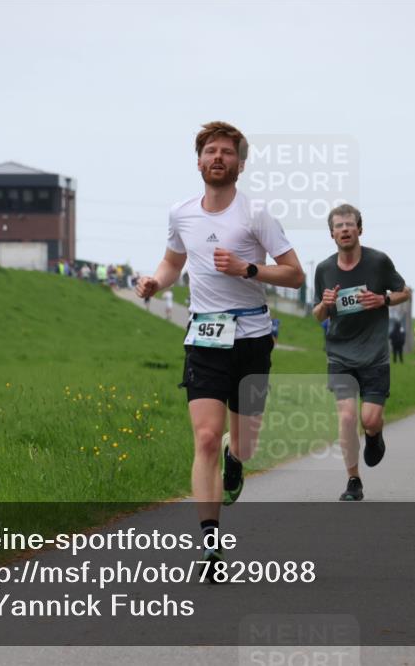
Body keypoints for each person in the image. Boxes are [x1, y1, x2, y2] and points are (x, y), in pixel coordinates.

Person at [134, 121, 304, 565]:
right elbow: (174, 260)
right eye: (210, 151)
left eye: (227, 152)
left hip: (251, 337)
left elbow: (294, 274)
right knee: (207, 437)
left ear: (240, 164)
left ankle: (237, 459)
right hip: (204, 337)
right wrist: (156, 280)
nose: (217, 158)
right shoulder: (181, 212)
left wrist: (249, 269)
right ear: (198, 161)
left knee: (242, 444)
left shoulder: (256, 215)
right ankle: (210, 544)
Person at [313, 203, 410, 501]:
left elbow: (405, 292)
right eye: (339, 226)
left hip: (375, 354)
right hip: (340, 354)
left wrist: (382, 299)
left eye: (349, 224)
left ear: (360, 229)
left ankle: (374, 435)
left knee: (369, 419)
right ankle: (353, 480)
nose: (344, 229)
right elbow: (317, 315)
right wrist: (326, 304)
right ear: (332, 233)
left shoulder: (379, 262)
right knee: (346, 418)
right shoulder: (324, 269)